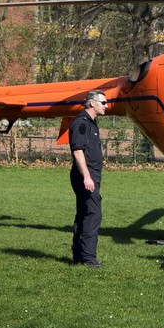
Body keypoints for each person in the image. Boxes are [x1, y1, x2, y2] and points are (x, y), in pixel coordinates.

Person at [70, 89, 108, 268]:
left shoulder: (92, 123)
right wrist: (87, 177)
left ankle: (78, 255)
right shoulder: (81, 123)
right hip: (86, 175)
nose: (106, 106)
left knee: (84, 213)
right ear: (92, 103)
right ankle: (88, 258)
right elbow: (77, 151)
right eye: (103, 103)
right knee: (93, 214)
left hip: (91, 175)